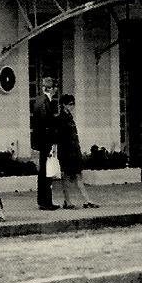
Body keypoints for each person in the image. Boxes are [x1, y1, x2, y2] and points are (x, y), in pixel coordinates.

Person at [54, 94, 98, 209]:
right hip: (66, 152)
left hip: (74, 151)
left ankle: (87, 200)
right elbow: (61, 138)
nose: (72, 106)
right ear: (64, 105)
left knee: (78, 175)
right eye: (70, 104)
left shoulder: (69, 118)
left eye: (73, 104)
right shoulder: (61, 119)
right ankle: (67, 201)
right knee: (67, 177)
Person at [31, 77, 59, 210]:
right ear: (52, 88)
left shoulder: (39, 100)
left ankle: (43, 200)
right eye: (55, 87)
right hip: (46, 141)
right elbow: (46, 124)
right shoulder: (45, 102)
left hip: (42, 141)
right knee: (47, 172)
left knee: (43, 171)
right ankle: (46, 201)